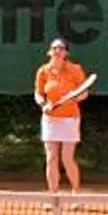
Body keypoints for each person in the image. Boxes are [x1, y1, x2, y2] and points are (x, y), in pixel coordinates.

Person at [33, 38, 94, 195]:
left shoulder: (75, 69)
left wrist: (74, 98)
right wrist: (43, 105)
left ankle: (76, 192)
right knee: (51, 158)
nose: (57, 51)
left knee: (67, 159)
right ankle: (53, 196)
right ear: (50, 51)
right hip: (50, 120)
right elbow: (38, 93)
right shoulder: (43, 71)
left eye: (61, 48)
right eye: (54, 48)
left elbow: (84, 93)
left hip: (70, 119)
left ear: (66, 53)